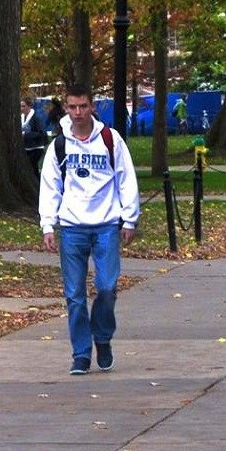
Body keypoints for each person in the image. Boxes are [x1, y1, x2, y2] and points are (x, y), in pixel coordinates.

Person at [40, 84, 140, 375]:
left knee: (107, 288)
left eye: (83, 106)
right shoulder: (59, 145)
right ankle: (81, 353)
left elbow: (126, 178)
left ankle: (103, 337)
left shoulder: (110, 139)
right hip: (72, 228)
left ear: (92, 106)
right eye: (72, 107)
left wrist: (129, 218)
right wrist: (48, 224)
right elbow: (50, 187)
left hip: (106, 225)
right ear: (66, 108)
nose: (78, 113)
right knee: (74, 295)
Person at [20, 96, 48, 174]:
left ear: (29, 106)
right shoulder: (21, 118)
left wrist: (25, 135)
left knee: (32, 167)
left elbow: (41, 133)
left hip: (36, 148)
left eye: (23, 106)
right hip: (26, 148)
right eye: (20, 106)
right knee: (31, 169)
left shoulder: (36, 117)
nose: (21, 108)